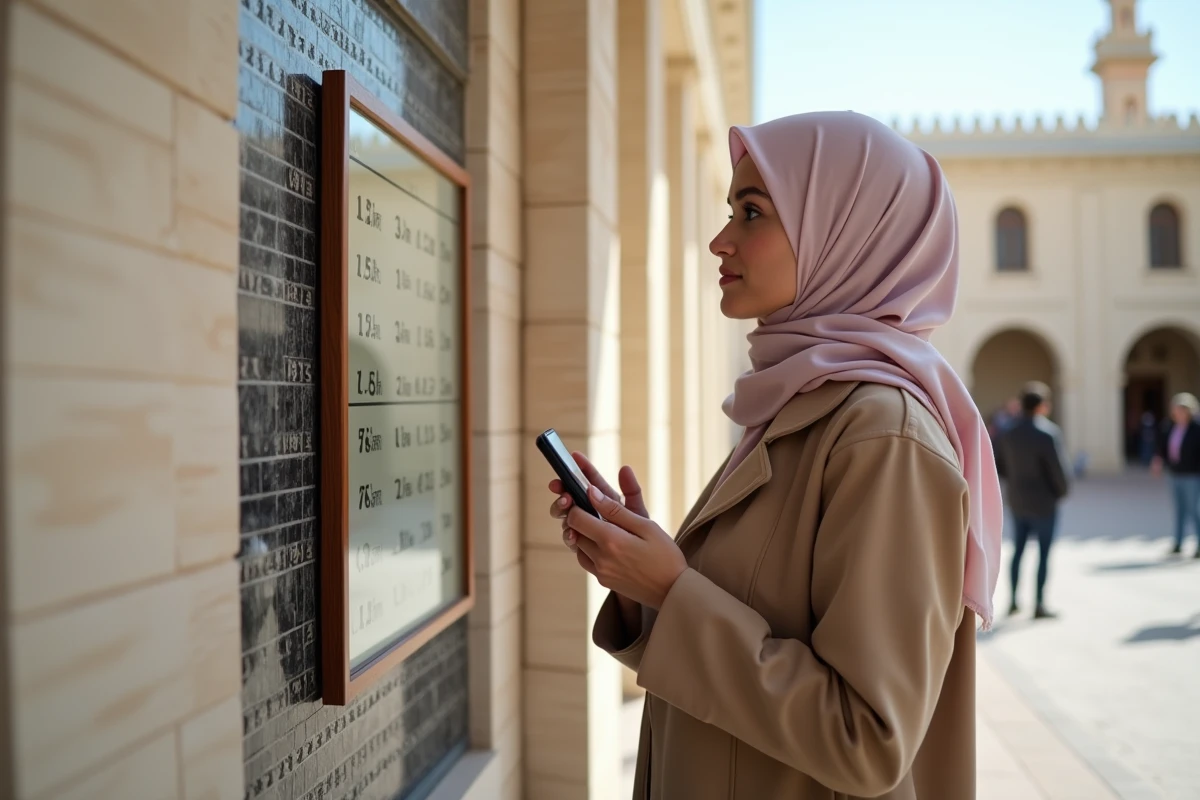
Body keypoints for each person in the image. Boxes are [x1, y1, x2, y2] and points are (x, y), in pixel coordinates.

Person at [547, 112, 1002, 800]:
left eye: (752, 212)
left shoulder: (882, 438)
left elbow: (868, 740)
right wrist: (647, 579)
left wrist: (674, 589)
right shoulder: (801, 404)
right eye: (731, 209)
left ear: (845, 231)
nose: (720, 240)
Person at [993, 381, 1071, 619]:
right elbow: (1058, 472)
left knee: (1017, 550)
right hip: (1044, 502)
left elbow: (999, 465)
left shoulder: (1008, 431)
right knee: (1043, 553)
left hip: (1017, 499)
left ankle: (1013, 601)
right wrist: (1061, 492)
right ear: (1041, 406)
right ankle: (1038, 604)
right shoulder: (1048, 433)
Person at [1152, 392, 1200, 556]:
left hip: (1192, 475)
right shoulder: (1170, 426)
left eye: (1180, 409)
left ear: (1188, 411)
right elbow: (1163, 447)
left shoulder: (1196, 429)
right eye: (1175, 409)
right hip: (1174, 474)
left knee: (1194, 510)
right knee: (1179, 510)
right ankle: (1178, 543)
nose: (1176, 412)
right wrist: (1159, 460)